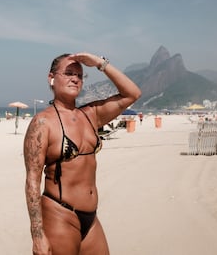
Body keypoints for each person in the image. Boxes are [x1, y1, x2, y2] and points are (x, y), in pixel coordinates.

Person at [23, 52, 141, 255]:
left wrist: (100, 63)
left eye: (79, 75)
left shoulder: (91, 115)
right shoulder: (43, 123)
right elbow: (32, 180)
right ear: (51, 78)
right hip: (60, 214)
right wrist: (37, 235)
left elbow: (132, 94)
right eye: (68, 73)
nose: (75, 78)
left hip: (91, 218)